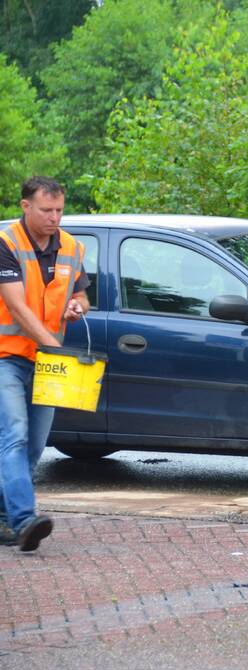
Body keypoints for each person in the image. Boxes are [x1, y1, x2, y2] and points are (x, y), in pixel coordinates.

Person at [0, 177, 89, 552]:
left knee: (35, 445)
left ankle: (4, 516)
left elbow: (81, 294)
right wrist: (55, 346)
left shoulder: (71, 247)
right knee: (14, 436)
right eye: (46, 210)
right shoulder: (6, 243)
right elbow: (17, 306)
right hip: (6, 356)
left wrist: (78, 306)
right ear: (25, 206)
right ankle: (23, 520)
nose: (54, 217)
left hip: (48, 362)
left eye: (59, 210)